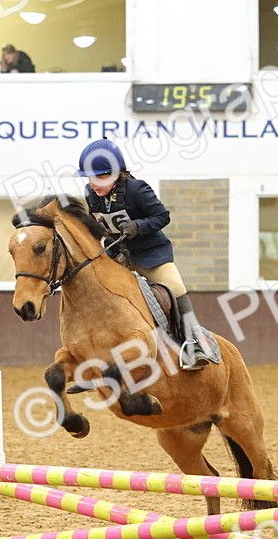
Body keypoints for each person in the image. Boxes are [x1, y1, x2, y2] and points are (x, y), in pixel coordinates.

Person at [75, 139, 218, 370]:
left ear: (116, 174)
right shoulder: (91, 194)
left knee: (176, 288)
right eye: (90, 178)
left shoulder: (137, 189)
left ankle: (195, 344)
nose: (93, 184)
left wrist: (138, 226)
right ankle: (95, 353)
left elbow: (163, 216)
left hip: (151, 255)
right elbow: (97, 223)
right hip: (119, 256)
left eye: (99, 177)